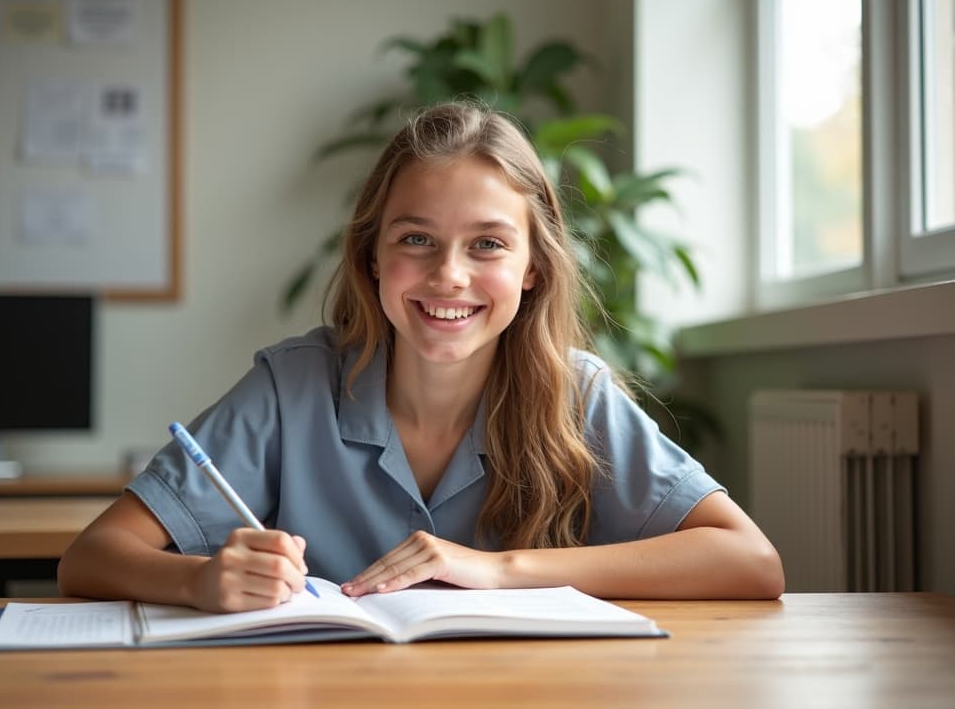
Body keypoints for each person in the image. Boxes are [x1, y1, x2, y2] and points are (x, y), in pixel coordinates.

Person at [58, 102, 784, 612]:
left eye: (488, 244)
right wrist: (198, 581)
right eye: (416, 240)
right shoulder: (292, 386)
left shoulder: (577, 395)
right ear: (372, 256)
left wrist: (498, 570)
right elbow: (90, 558)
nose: (449, 275)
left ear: (533, 267)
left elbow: (750, 561)